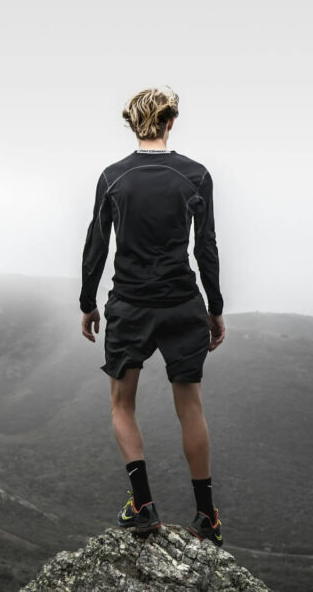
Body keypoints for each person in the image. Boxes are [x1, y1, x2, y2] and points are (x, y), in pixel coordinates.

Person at [79, 86, 226, 546]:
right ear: (170, 123)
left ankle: (143, 506)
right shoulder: (196, 176)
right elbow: (206, 247)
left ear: (132, 124)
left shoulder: (112, 178)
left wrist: (87, 302)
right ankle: (206, 516)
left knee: (122, 403)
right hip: (183, 302)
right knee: (191, 406)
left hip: (131, 305)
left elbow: (97, 244)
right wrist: (215, 308)